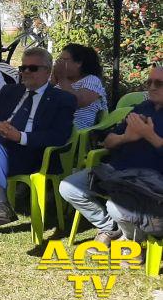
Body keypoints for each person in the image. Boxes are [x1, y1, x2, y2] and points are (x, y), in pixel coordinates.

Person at [0, 47, 76, 248]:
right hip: (0, 148)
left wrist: (20, 137)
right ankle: (0, 205)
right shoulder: (10, 91)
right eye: (23, 67)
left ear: (47, 71)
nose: (25, 72)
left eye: (32, 68)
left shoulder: (63, 99)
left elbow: (59, 136)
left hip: (32, 155)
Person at [59, 66, 163, 244]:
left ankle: (133, 241)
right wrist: (126, 137)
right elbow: (108, 141)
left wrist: (150, 136)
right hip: (117, 172)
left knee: (116, 207)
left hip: (151, 182)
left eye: (159, 83)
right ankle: (110, 227)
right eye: (149, 82)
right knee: (69, 187)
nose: (151, 87)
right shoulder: (142, 107)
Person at [53, 43, 108, 130]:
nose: (60, 63)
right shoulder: (60, 82)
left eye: (64, 60)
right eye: (59, 59)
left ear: (78, 63)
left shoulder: (91, 80)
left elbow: (78, 101)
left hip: (74, 132)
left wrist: (62, 79)